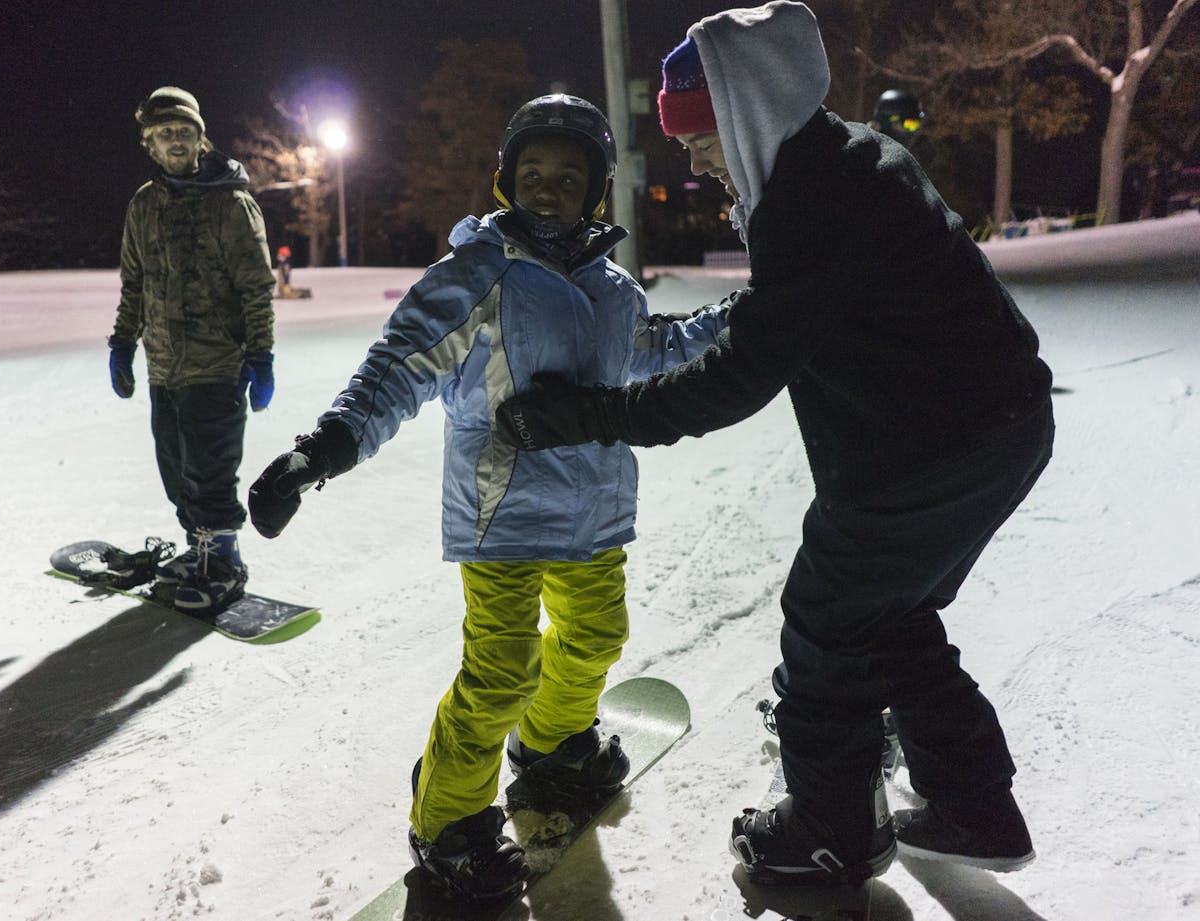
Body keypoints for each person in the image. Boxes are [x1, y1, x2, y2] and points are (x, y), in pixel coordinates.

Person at [496, 1, 1054, 887]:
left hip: (927, 453)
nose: (695, 158)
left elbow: (735, 382)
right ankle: (973, 806)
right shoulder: (844, 161)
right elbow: (780, 319)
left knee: (828, 626)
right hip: (994, 428)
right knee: (890, 615)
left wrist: (584, 414)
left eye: (700, 137)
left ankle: (830, 833)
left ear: (745, 110)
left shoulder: (811, 202)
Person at [246, 94, 728, 901]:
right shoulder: (479, 273)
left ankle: (552, 745)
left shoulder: (614, 289)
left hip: (594, 512)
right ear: (506, 180)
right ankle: (449, 823)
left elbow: (654, 349)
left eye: (568, 176)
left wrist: (746, 319)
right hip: (499, 510)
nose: (548, 188)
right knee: (500, 670)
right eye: (531, 173)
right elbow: (399, 366)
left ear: (596, 191)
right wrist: (321, 449)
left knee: (597, 638)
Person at [107, 86, 278, 613]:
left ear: (200, 139)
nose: (175, 141)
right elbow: (133, 282)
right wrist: (122, 342)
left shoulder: (231, 202)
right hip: (164, 364)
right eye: (164, 134)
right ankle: (197, 548)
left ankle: (223, 558)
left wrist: (261, 354)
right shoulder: (143, 205)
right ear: (149, 144)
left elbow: (256, 284)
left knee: (211, 468)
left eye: (183, 131)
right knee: (175, 466)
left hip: (216, 361)